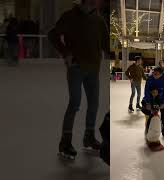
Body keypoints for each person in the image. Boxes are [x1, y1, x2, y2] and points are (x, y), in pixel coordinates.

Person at [48, 0, 107, 160]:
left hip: (93, 69)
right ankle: (65, 142)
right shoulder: (69, 16)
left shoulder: (99, 20)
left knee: (94, 104)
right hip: (76, 67)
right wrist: (66, 52)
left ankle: (89, 137)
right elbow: (52, 35)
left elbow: (106, 44)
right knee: (75, 103)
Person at [143, 67, 164, 136]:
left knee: (163, 111)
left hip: (160, 98)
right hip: (150, 97)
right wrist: (148, 102)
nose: (155, 75)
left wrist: (162, 102)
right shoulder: (150, 78)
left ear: (161, 74)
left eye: (157, 74)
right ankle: (148, 127)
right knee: (148, 112)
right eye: (154, 73)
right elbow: (146, 90)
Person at [141, 86, 164, 151]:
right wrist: (146, 105)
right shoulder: (148, 98)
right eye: (153, 92)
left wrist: (162, 105)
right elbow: (142, 102)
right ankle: (147, 134)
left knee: (156, 122)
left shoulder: (158, 97)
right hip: (147, 112)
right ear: (150, 92)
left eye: (156, 92)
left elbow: (161, 104)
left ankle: (154, 136)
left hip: (154, 112)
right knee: (148, 122)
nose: (155, 93)